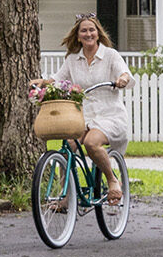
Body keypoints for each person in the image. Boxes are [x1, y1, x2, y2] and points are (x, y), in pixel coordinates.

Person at [33, 14, 134, 205]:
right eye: (84, 31)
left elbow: (125, 72)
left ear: (98, 33)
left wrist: (122, 79)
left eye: (92, 30)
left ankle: (112, 180)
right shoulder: (73, 59)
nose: (88, 34)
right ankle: (67, 197)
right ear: (78, 36)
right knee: (67, 148)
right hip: (83, 116)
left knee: (91, 143)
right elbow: (58, 79)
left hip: (110, 115)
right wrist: (42, 83)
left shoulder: (110, 55)